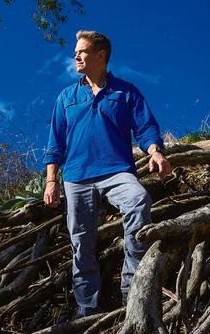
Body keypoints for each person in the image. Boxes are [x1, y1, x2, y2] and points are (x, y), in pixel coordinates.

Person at [43, 30, 171, 317]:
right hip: (76, 177)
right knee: (81, 240)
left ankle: (132, 290)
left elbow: (145, 128)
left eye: (82, 51)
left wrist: (155, 152)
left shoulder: (125, 92)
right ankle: (87, 307)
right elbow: (55, 144)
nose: (76, 55)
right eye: (75, 51)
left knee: (139, 201)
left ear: (101, 55)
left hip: (116, 172)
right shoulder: (66, 97)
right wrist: (51, 180)